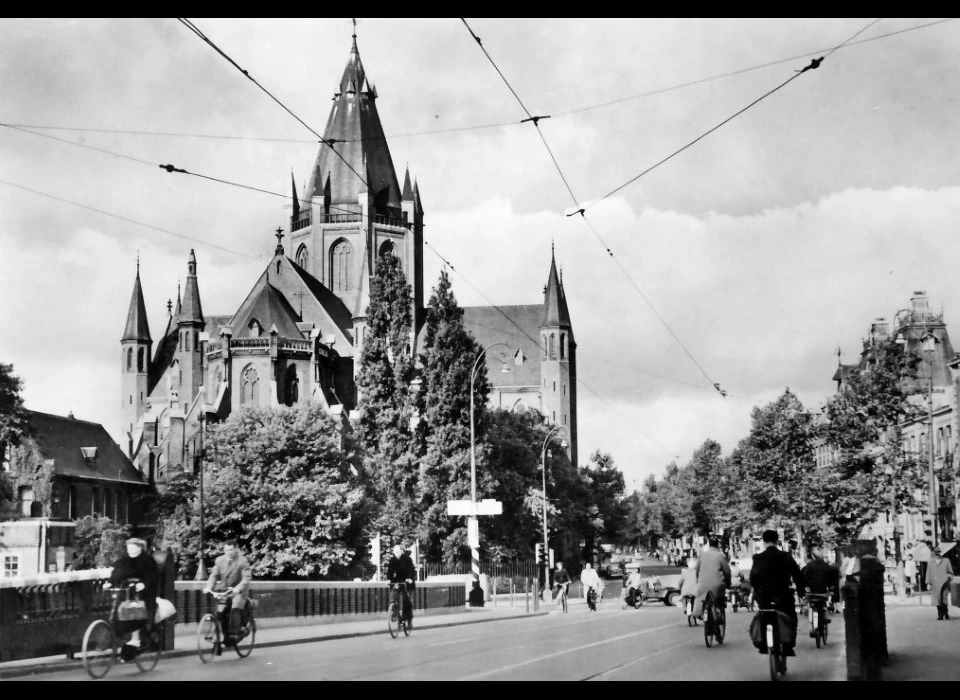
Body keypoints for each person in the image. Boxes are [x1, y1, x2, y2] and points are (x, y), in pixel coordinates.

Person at [750, 529, 806, 656]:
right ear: (777, 540)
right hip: (783, 596)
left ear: (763, 541)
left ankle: (763, 643)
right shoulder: (786, 556)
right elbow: (797, 576)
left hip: (764, 597)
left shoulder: (758, 558)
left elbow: (753, 578)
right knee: (791, 617)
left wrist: (757, 592)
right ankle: (789, 646)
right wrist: (801, 593)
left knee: (763, 614)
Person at [104, 537, 159, 661]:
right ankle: (123, 637)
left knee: (136, 615)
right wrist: (110, 582)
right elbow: (118, 572)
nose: (131, 551)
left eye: (134, 548)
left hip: (143, 593)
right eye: (129, 549)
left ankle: (135, 640)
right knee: (119, 610)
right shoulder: (125, 559)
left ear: (140, 548)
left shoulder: (147, 560)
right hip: (127, 591)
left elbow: (153, 575)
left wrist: (144, 584)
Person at [204, 540, 253, 648]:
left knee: (234, 608)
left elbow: (247, 578)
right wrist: (208, 586)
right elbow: (214, 575)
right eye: (226, 550)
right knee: (220, 613)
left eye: (231, 550)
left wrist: (238, 588)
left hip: (239, 591)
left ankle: (235, 633)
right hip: (225, 590)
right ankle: (226, 636)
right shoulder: (219, 560)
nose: (228, 552)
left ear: (236, 549)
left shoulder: (242, 561)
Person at [694, 537, 732, 617]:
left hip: (702, 585)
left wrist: (697, 581)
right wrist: (728, 583)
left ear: (709, 544)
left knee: (700, 599)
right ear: (717, 545)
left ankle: (700, 614)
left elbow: (697, 570)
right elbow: (727, 572)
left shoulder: (702, 555)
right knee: (719, 601)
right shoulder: (721, 556)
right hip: (717, 586)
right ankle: (719, 615)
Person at [386, 545, 417, 619]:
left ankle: (406, 617)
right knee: (392, 597)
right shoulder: (393, 560)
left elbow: (411, 570)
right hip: (397, 581)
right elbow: (390, 571)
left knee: (406, 599)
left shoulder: (407, 559)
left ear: (401, 551)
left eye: (397, 552)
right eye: (395, 552)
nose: (396, 554)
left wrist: (409, 578)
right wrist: (389, 579)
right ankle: (394, 613)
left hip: (407, 581)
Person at [925, 546, 955, 621]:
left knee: (944, 598)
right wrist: (928, 582)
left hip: (944, 583)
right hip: (935, 583)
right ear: (933, 553)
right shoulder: (930, 562)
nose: (937, 554)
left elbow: (951, 572)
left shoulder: (946, 561)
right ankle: (940, 615)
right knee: (937, 600)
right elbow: (928, 572)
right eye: (935, 553)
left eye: (938, 553)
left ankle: (945, 612)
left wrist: (949, 577)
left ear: (940, 553)